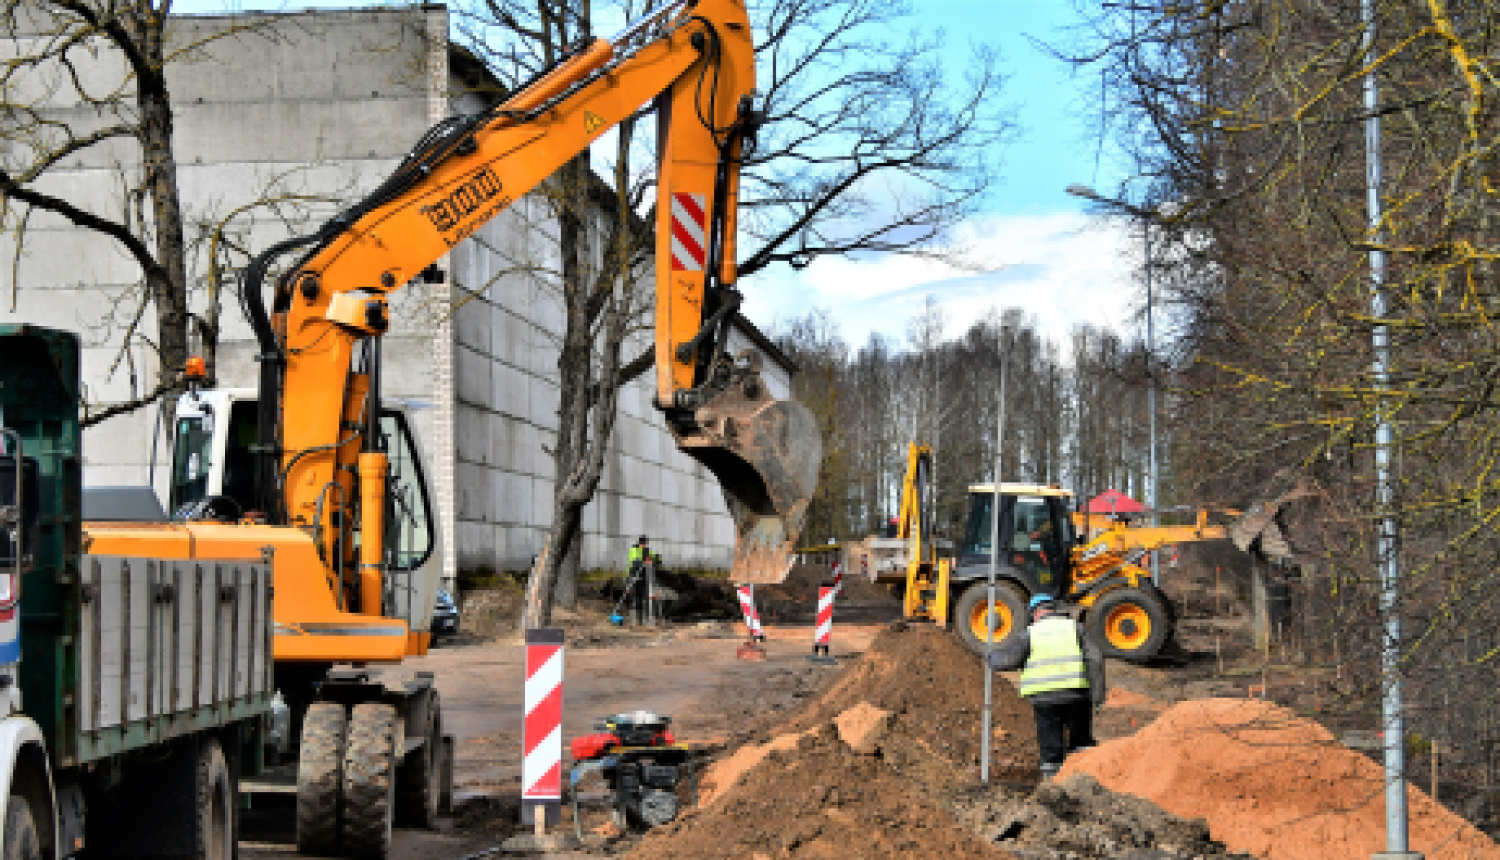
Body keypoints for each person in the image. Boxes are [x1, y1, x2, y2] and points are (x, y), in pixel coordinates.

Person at [988, 594, 1105, 780]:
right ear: (1054, 609)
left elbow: (1007, 660)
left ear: (1035, 613)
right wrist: (1098, 695)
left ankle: (1053, 784)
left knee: (1051, 745)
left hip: (1045, 700)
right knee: (1081, 742)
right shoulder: (1076, 628)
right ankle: (1088, 782)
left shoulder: (1030, 633)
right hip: (1076, 696)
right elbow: (1095, 659)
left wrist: (991, 657)